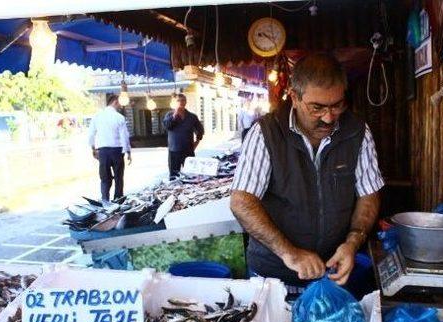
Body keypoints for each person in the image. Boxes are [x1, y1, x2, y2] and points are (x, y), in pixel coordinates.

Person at [230, 53, 384, 296]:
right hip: (273, 277)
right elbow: (242, 202)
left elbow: (369, 193)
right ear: (294, 97)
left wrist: (353, 243)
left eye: (337, 105)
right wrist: (289, 253)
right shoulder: (266, 133)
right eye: (317, 108)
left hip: (333, 274)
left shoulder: (357, 132)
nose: (329, 117)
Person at [87, 94, 132, 205]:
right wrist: (128, 152)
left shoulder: (97, 116)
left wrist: (93, 148)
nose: (120, 106)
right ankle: (118, 201)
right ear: (115, 102)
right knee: (118, 177)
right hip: (117, 151)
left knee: (104, 177)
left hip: (103, 151)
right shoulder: (119, 117)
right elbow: (124, 137)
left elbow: (91, 134)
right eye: (119, 103)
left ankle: (105, 201)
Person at [163, 93, 204, 179]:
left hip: (188, 150)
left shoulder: (192, 117)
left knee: (191, 175)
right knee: (174, 176)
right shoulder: (169, 115)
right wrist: (175, 115)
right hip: (174, 150)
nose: (181, 102)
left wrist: (196, 142)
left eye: (183, 100)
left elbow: (200, 130)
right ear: (175, 102)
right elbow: (167, 126)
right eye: (178, 100)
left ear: (186, 102)